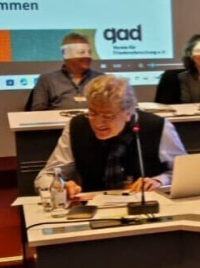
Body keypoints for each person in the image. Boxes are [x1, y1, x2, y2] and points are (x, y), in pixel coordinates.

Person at [35, 75, 187, 198]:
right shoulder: (77, 126)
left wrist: (159, 181)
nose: (98, 122)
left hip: (148, 206)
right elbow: (45, 176)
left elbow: (184, 174)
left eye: (108, 116)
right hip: (93, 208)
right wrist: (59, 186)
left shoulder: (157, 127)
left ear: (128, 112)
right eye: (92, 113)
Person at [30, 32, 104, 111]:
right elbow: (37, 113)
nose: (88, 57)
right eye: (81, 52)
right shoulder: (47, 80)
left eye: (89, 52)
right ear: (66, 53)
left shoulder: (101, 80)